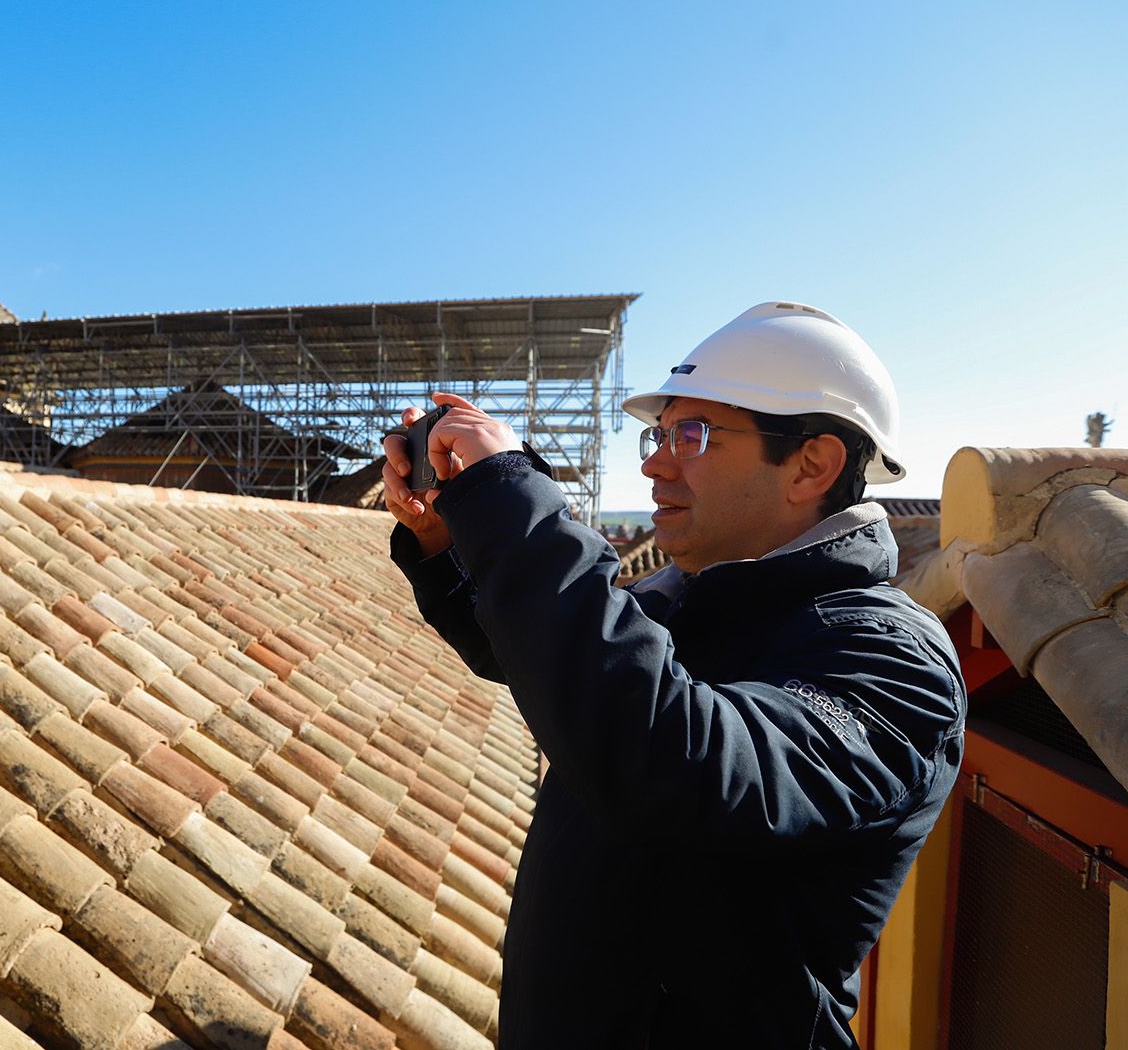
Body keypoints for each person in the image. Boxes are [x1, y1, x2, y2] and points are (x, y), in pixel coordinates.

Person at [382, 302, 965, 1049]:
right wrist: (448, 536)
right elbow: (558, 663)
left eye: (692, 435)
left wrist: (516, 505)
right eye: (658, 435)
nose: (655, 461)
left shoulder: (891, 659)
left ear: (810, 464)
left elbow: (673, 762)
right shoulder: (700, 594)